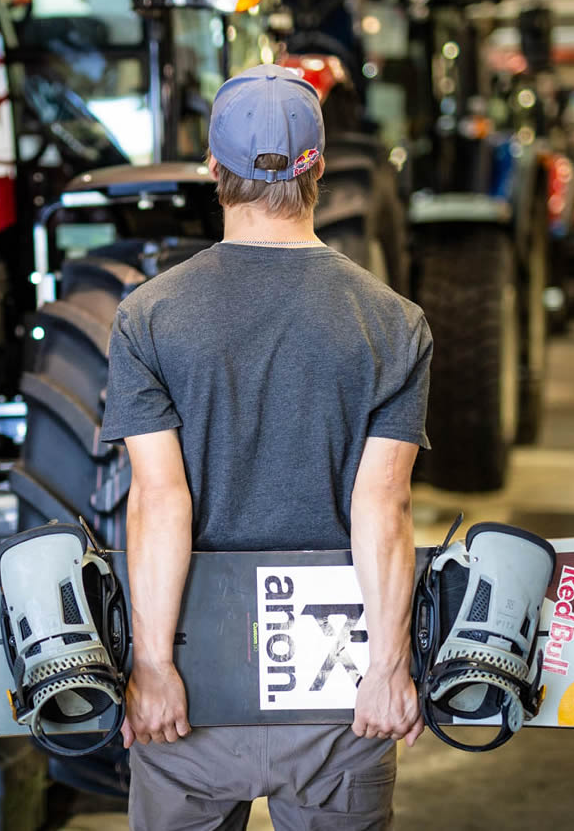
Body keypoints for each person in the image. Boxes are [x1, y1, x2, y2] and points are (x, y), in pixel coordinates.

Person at [99, 64, 433, 830]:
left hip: (192, 688)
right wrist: (389, 669)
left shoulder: (148, 318)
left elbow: (158, 500)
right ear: (318, 168)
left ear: (213, 169)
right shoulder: (394, 322)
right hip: (338, 702)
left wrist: (149, 669)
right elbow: (383, 504)